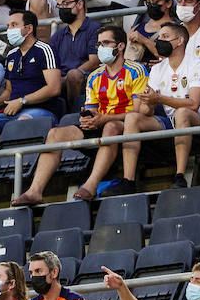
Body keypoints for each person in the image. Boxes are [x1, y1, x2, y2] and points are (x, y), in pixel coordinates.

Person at [12, 25, 145, 204]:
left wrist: (105, 119)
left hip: (124, 125)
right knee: (55, 134)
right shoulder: (94, 76)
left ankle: (90, 185)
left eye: (106, 43)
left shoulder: (136, 70)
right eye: (99, 44)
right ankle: (35, 191)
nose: (101, 49)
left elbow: (137, 111)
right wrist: (88, 118)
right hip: (101, 122)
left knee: (111, 127)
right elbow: (91, 108)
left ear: (120, 46)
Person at [121, 21, 200, 191]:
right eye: (159, 37)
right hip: (172, 122)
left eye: (165, 37)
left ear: (180, 41)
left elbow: (194, 104)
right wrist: (148, 103)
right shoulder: (158, 69)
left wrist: (158, 98)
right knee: (132, 118)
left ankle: (180, 176)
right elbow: (146, 111)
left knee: (182, 113)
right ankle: (128, 181)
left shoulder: (197, 64)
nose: (160, 41)